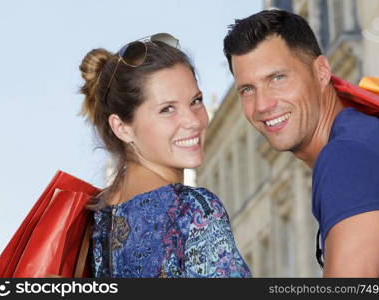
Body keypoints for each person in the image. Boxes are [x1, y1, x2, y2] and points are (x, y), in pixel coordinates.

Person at [223, 10, 379, 277]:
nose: (262, 105)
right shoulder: (365, 132)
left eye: (277, 78)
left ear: (321, 71)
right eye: (247, 89)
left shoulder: (347, 156)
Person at [78, 33, 251, 278]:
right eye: (167, 109)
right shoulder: (192, 209)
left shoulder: (96, 216)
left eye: (196, 101)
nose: (193, 121)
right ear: (122, 127)